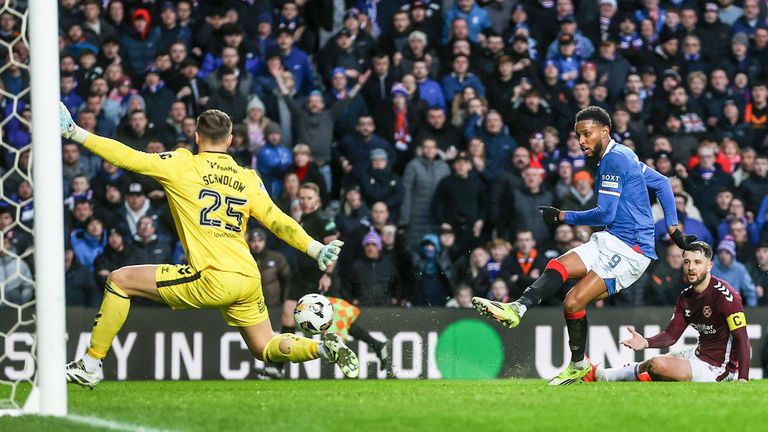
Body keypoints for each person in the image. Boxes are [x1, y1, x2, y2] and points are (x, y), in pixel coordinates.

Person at [59, 103, 359, 388]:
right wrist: (315, 248)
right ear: (230, 140)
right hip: (247, 277)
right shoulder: (246, 177)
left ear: (196, 136)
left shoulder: (181, 163)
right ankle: (320, 348)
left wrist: (76, 132)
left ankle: (91, 363)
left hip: (211, 275)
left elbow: (128, 157)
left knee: (119, 280)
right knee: (264, 346)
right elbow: (277, 220)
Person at [472, 106, 696, 385]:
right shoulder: (624, 155)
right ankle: (518, 308)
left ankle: (579, 365)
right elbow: (662, 182)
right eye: (578, 135)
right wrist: (673, 229)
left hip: (632, 250)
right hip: (612, 238)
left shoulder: (615, 160)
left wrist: (563, 215)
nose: (581, 141)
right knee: (558, 265)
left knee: (573, 301)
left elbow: (606, 213)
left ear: (605, 131)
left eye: (587, 134)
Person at [587, 242, 749, 382]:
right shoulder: (685, 297)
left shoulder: (726, 296)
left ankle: (621, 376)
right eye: (687, 262)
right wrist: (646, 342)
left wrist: (743, 379)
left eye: (698, 262)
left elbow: (742, 339)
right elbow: (671, 335)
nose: (691, 267)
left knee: (658, 364)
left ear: (709, 266)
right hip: (697, 354)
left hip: (718, 368)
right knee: (653, 362)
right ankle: (603, 375)